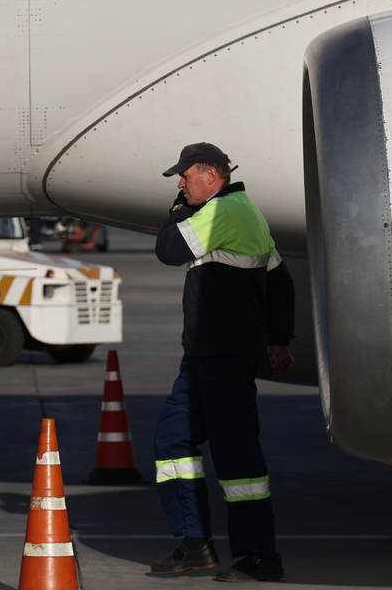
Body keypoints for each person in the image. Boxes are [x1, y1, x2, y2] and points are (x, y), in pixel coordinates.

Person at [151, 142, 294, 582]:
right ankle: (196, 544)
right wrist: (278, 338)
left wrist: (177, 209)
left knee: (236, 457)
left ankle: (258, 556)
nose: (181, 184)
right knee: (174, 442)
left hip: (222, 357)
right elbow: (281, 279)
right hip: (204, 357)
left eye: (185, 176)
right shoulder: (247, 209)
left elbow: (169, 250)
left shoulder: (221, 211)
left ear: (211, 175)